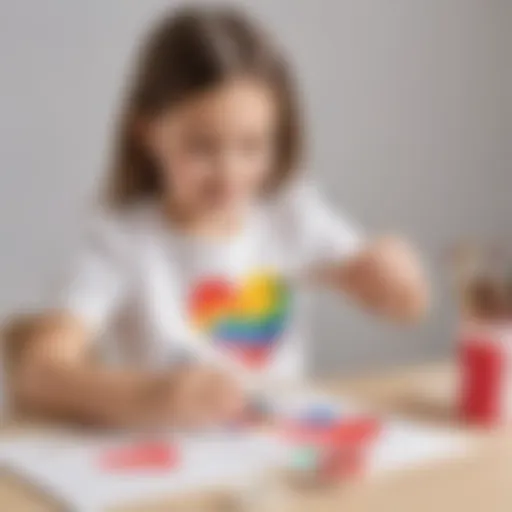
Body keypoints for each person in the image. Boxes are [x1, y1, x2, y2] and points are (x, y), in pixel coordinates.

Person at [15, 6, 428, 429]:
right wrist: (153, 395)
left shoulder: (289, 213)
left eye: (251, 147)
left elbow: (404, 306)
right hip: (168, 472)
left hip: (278, 461)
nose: (230, 174)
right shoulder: (121, 242)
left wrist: (396, 273)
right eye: (201, 147)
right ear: (147, 133)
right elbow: (36, 374)